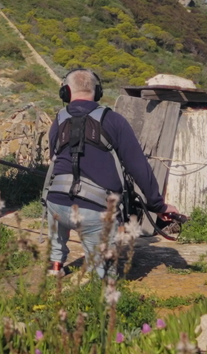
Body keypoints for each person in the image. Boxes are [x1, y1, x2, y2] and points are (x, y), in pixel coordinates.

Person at [44, 69, 179, 277]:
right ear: (98, 92)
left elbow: (54, 157)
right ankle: (100, 277)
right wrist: (158, 205)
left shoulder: (59, 119)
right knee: (105, 275)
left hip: (56, 204)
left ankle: (56, 265)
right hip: (94, 210)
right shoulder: (114, 120)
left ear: (66, 92)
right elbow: (138, 166)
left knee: (58, 222)